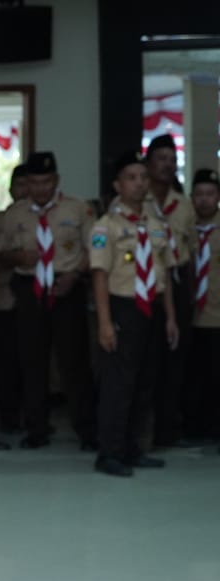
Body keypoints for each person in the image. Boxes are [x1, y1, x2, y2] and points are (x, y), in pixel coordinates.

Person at [0, 151, 96, 449]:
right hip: (30, 289)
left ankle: (87, 429)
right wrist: (17, 257)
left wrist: (75, 275)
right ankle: (36, 428)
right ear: (27, 183)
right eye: (34, 182)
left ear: (57, 180)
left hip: (68, 287)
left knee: (74, 361)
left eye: (46, 182)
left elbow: (95, 250)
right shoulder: (15, 214)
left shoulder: (78, 209)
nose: (40, 189)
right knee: (32, 361)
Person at [90, 151, 180, 477]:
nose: (139, 183)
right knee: (118, 384)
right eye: (131, 178)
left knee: (145, 381)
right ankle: (109, 452)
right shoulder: (106, 226)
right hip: (123, 307)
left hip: (151, 307)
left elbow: (165, 274)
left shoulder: (156, 225)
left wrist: (170, 317)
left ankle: (133, 447)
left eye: (143, 177)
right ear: (118, 185)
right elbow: (100, 276)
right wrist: (104, 322)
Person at [146, 134, 197, 447]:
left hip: (176, 283)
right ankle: (144, 430)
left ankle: (169, 428)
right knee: (148, 359)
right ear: (148, 164)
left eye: (171, 159)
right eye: (161, 159)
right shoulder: (137, 201)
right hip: (146, 285)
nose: (167, 165)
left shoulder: (184, 206)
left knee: (176, 359)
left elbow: (191, 252)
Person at [0, 164, 29, 433]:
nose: (25, 191)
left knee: (28, 361)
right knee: (5, 361)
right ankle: (8, 416)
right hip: (3, 298)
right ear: (11, 189)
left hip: (31, 299)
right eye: (20, 185)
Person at [186, 169, 220, 440]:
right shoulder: (186, 229)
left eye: (210, 194)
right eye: (199, 194)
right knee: (192, 376)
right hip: (190, 315)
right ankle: (194, 426)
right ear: (192, 197)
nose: (205, 200)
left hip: (217, 315)